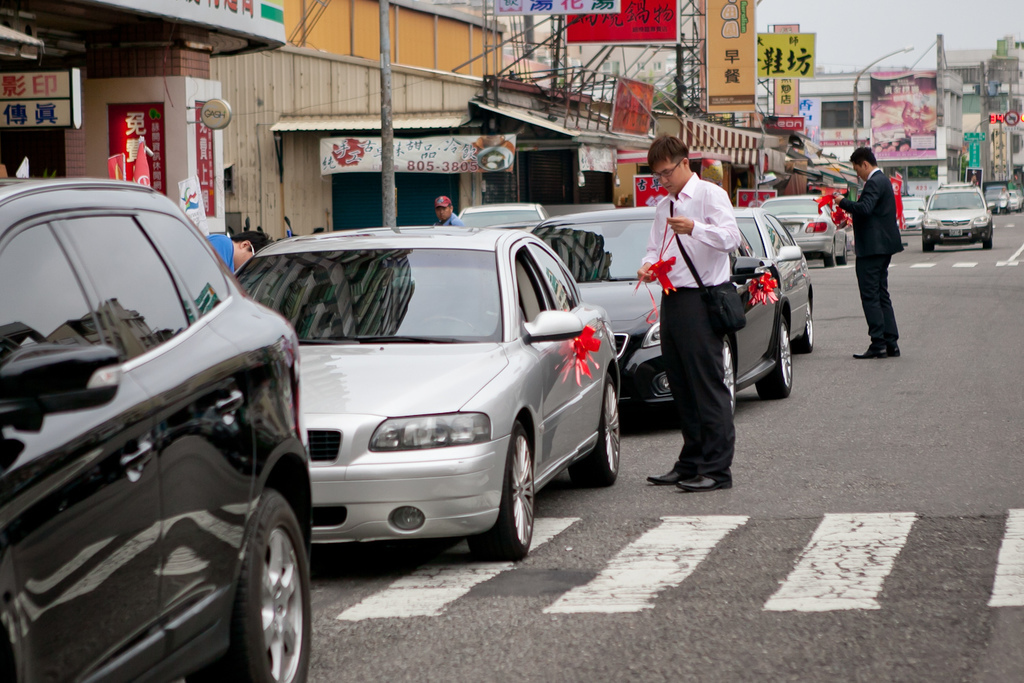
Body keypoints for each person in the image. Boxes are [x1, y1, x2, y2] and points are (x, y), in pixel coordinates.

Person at [638, 135, 742, 493]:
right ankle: (691, 462)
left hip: (704, 298)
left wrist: (695, 228)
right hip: (673, 299)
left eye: (666, 173)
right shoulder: (664, 205)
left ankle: (717, 469)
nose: (663, 181)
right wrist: (648, 266)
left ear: (685, 163)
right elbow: (654, 247)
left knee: (707, 385)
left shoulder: (709, 195)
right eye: (657, 176)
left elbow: (731, 238)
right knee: (681, 385)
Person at [836, 147, 903, 359]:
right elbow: (870, 211)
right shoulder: (883, 181)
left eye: (858, 170)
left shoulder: (874, 182)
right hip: (883, 247)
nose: (858, 175)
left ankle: (878, 343)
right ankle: (890, 342)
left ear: (865, 164)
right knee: (882, 293)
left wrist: (842, 202)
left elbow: (865, 208)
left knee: (870, 295)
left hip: (873, 248)